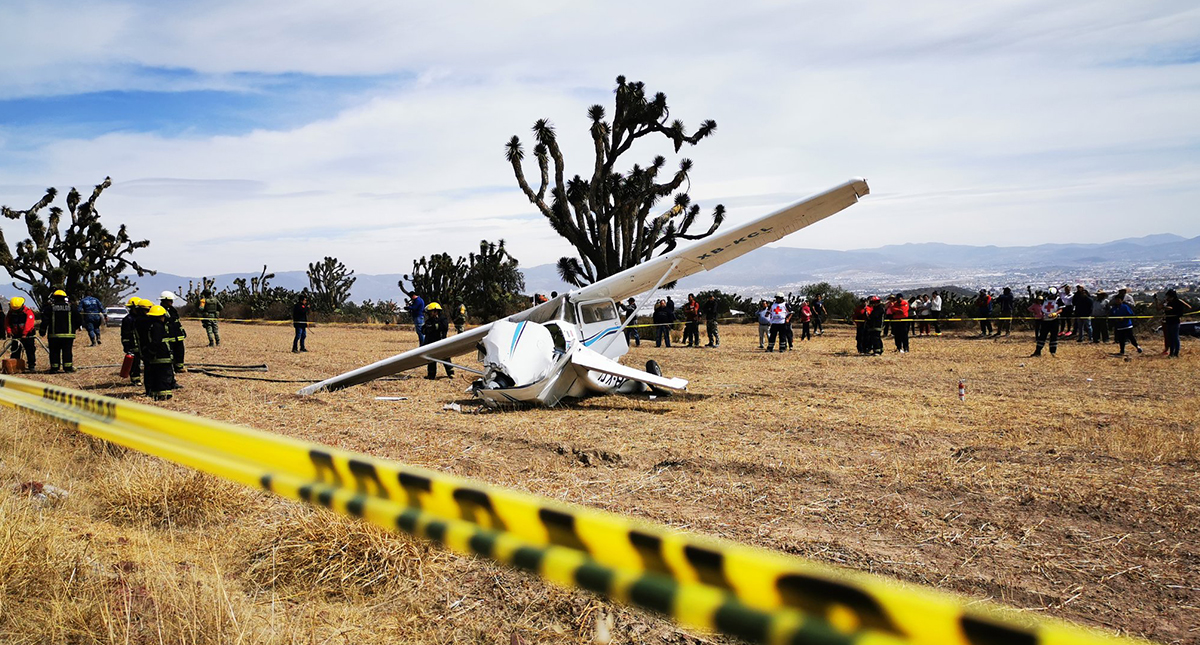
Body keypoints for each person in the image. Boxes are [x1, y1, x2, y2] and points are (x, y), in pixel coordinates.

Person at [39, 289, 79, 373]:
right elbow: (78, 319)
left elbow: (45, 321)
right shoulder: (71, 308)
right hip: (68, 335)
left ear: (54, 298)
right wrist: (74, 328)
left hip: (54, 335)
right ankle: (68, 368)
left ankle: (54, 368)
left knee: (54, 352)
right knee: (67, 351)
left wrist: (42, 331)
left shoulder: (50, 308)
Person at [142, 305, 177, 400]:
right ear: (161, 316)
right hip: (162, 355)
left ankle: (155, 393)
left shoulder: (151, 326)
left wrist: (150, 353)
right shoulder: (158, 326)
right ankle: (165, 394)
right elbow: (156, 342)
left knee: (156, 375)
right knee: (164, 375)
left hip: (156, 357)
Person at [422, 302, 453, 379]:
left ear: (435, 311)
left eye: (430, 312)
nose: (429, 314)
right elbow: (423, 330)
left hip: (441, 342)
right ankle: (431, 375)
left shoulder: (443, 320)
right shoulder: (429, 321)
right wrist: (430, 328)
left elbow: (443, 327)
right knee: (431, 360)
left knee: (445, 358)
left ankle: (451, 373)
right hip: (431, 343)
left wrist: (433, 327)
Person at [5, 296, 37, 371]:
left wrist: (24, 334)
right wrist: (9, 331)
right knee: (15, 350)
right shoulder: (10, 313)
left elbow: (29, 324)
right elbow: (7, 322)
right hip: (16, 335)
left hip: (28, 335)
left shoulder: (28, 312)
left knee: (30, 350)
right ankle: (14, 366)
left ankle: (31, 365)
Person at [158, 291, 187, 371]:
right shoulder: (160, 310)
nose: (172, 302)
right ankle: (170, 368)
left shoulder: (172, 310)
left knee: (180, 351)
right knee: (170, 352)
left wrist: (182, 331)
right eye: (170, 300)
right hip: (169, 336)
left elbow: (177, 321)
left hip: (177, 335)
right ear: (164, 301)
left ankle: (179, 367)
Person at [120, 297, 146, 386]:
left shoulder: (141, 318)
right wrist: (127, 346)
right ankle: (135, 379)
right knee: (135, 363)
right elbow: (125, 334)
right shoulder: (128, 319)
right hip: (133, 345)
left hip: (142, 344)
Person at [1159, 289, 1190, 358]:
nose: (1167, 297)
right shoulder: (1168, 302)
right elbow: (1159, 308)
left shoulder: (1178, 302)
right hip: (1168, 321)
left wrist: (1180, 312)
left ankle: (1176, 353)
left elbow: (1188, 307)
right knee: (1170, 338)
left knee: (1175, 337)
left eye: (1168, 296)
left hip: (1175, 322)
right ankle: (1171, 353)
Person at [1029, 291, 1060, 357]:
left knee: (1054, 336)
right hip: (1045, 321)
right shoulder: (1045, 301)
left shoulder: (1058, 300)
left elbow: (1061, 309)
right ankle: (1038, 351)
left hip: (1054, 321)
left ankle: (1053, 352)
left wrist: (1056, 313)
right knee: (1042, 336)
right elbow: (1041, 308)